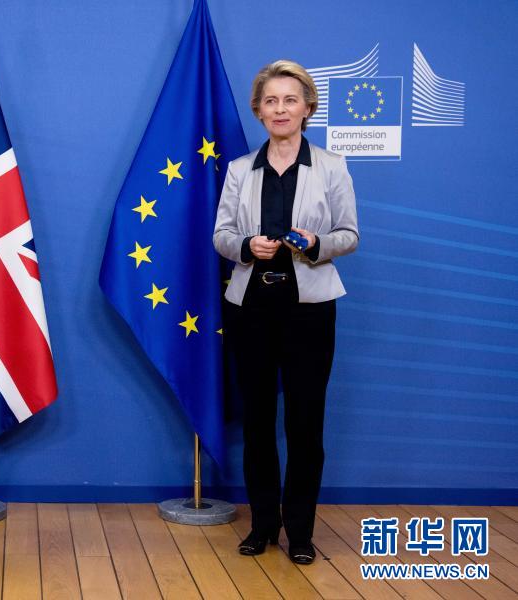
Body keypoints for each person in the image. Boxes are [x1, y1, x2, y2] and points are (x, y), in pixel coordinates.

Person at [213, 60, 358, 564]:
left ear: (307, 108)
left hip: (310, 312)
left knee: (305, 424)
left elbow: (350, 235)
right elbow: (221, 235)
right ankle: (262, 526)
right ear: (258, 110)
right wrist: (246, 247)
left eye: (290, 100)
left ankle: (299, 531)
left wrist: (317, 244)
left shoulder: (332, 166)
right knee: (257, 423)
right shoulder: (239, 170)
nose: (280, 109)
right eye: (271, 101)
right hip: (250, 309)